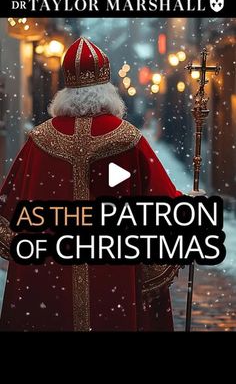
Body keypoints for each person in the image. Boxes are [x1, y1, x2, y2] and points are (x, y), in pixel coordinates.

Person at [0, 37, 181, 331]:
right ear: (107, 90)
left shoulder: (39, 140)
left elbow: (7, 218)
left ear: (66, 91)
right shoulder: (128, 138)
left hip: (49, 270)